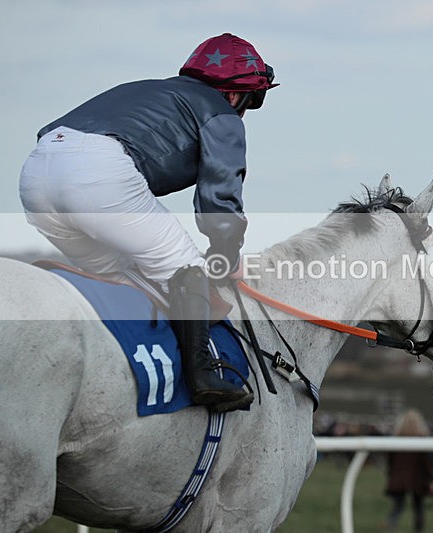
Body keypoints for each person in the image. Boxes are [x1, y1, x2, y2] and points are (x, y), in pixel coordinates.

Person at [19, 33, 277, 412]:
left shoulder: (143, 89)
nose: (244, 112)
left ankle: (112, 377)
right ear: (237, 94)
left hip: (36, 175)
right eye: (251, 101)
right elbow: (219, 196)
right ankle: (203, 376)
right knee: (187, 268)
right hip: (97, 174)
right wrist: (224, 253)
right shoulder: (220, 110)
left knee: (126, 280)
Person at [385, 410, 433, 533]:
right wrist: (432, 478)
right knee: (418, 507)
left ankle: (389, 529)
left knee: (397, 507)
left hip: (400, 477)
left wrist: (391, 474)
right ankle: (418, 530)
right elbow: (426, 463)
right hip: (417, 478)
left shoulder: (396, 439)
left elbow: (391, 461)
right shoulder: (421, 440)